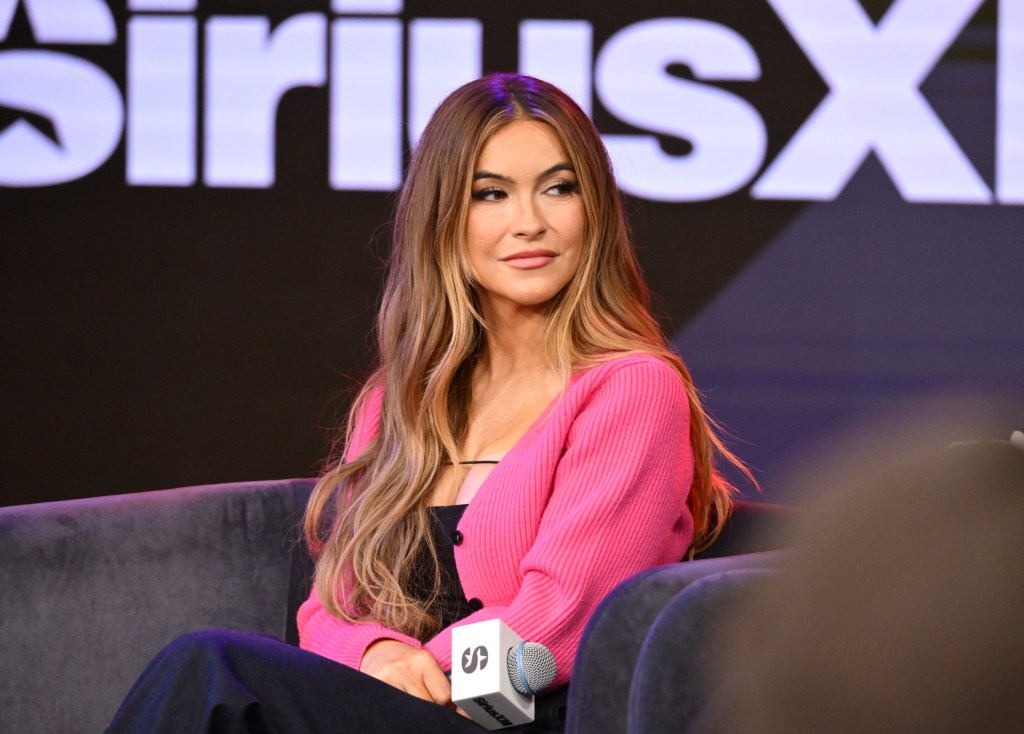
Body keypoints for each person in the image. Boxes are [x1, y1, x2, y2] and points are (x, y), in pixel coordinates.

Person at [106, 73, 751, 733]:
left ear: (594, 210)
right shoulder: (399, 401)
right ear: (442, 217)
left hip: (512, 717)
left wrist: (422, 672)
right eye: (490, 194)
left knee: (213, 669)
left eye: (559, 188)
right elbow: (331, 608)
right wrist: (373, 653)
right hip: (399, 708)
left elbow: (566, 613)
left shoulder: (632, 387)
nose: (529, 222)